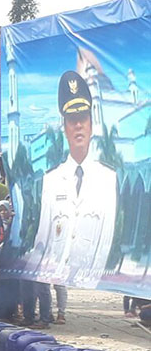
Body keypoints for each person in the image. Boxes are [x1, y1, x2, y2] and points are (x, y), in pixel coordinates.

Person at [31, 70, 117, 287]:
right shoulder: (51, 180)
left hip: (91, 283)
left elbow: (106, 239)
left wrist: (91, 279)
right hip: (55, 277)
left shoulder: (107, 178)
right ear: (64, 127)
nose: (78, 125)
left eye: (83, 119)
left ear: (91, 124)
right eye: (72, 120)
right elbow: (43, 238)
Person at [0, 200, 19, 323]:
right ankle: (1, 313)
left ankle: (11, 313)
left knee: (12, 287)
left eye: (5, 210)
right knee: (1, 287)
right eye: (0, 210)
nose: (3, 213)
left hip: (12, 260)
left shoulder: (16, 223)